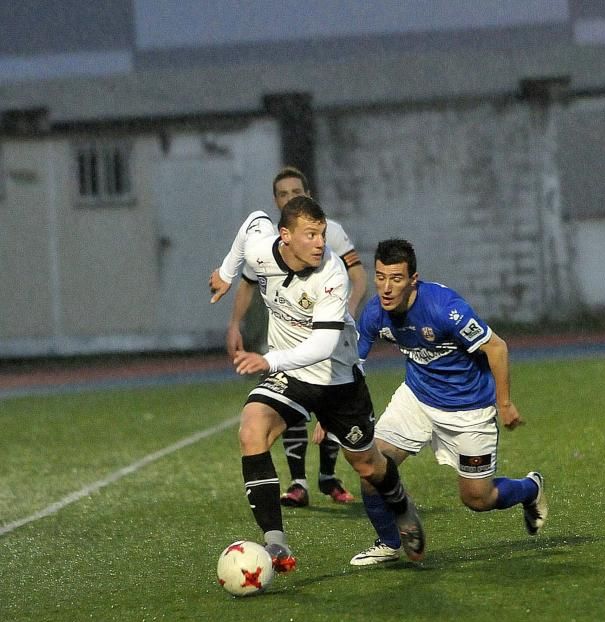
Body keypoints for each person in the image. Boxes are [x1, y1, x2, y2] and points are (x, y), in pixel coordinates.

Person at [208, 196, 426, 570]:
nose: (320, 242)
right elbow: (251, 223)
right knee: (251, 430)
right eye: (311, 234)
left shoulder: (332, 274)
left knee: (368, 466)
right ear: (285, 236)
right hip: (290, 376)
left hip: (337, 380)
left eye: (322, 234)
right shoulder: (262, 250)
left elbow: (323, 345)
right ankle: (275, 544)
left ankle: (400, 501)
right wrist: (227, 273)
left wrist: (268, 358)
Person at [344, 238, 548, 566]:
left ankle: (529, 488)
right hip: (417, 399)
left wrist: (505, 403)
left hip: (469, 409)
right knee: (371, 467)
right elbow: (352, 364)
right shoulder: (375, 314)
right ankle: (390, 542)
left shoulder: (444, 308)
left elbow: (497, 348)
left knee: (477, 499)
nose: (385, 287)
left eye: (396, 279)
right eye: (380, 277)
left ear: (413, 279)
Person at [224, 166, 364, 508]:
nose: (290, 197)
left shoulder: (331, 235)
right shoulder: (269, 242)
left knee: (343, 429)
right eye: (283, 194)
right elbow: (245, 277)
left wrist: (344, 313)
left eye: (296, 191)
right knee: (283, 411)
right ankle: (298, 482)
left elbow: (358, 277)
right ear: (277, 202)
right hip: (286, 345)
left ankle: (329, 476)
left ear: (309, 193)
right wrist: (234, 323)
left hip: (330, 343)